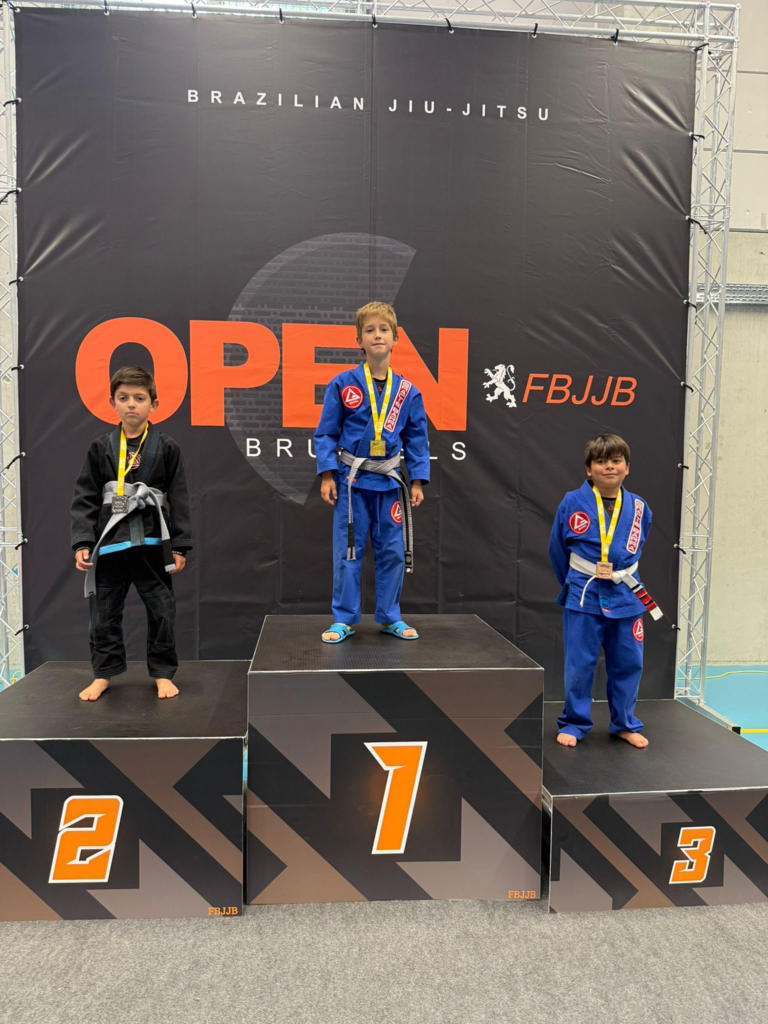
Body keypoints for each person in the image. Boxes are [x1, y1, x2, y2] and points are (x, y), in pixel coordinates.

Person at [71, 366, 191, 700]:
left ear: (154, 404)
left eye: (139, 398)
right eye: (123, 398)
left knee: (162, 611)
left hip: (152, 542)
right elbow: (85, 496)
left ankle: (163, 673)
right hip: (111, 542)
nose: (131, 405)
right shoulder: (101, 447)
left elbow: (180, 498)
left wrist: (180, 546)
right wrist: (83, 541)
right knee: (103, 613)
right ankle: (103, 673)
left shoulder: (167, 447)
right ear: (112, 403)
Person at [314, 301, 430, 643]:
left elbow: (417, 438)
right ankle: (344, 618)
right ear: (359, 341)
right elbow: (326, 433)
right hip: (352, 482)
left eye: (384, 330)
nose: (377, 335)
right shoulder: (343, 384)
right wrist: (327, 474)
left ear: (395, 339)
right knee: (348, 550)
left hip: (390, 483)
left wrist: (418, 480)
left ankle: (390, 615)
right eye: (369, 330)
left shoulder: (408, 392)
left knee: (392, 551)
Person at [549, 434, 662, 748]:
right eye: (601, 461)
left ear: (627, 467)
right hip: (584, 593)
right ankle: (574, 723)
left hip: (626, 597)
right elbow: (557, 549)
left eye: (616, 461)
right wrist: (573, 583)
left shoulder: (639, 507)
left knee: (628, 662)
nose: (609, 466)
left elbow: (638, 546)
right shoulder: (572, 502)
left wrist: (618, 573)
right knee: (579, 664)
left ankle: (624, 723)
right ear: (589, 469)